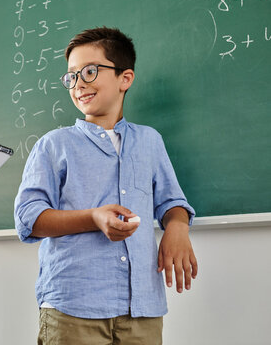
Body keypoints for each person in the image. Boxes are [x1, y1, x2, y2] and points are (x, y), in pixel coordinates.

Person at [14, 27, 198, 344]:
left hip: (142, 308)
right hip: (73, 306)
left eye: (89, 71)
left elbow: (171, 203)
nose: (79, 84)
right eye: (71, 77)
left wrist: (177, 227)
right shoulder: (54, 145)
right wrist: (93, 218)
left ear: (124, 79)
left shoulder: (149, 141)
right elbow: (28, 218)